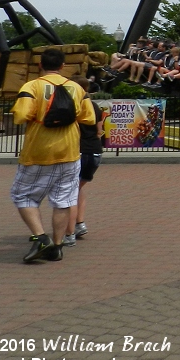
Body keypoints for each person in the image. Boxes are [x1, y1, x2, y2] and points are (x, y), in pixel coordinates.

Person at [10, 48, 96, 263]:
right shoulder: (76, 88)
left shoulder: (32, 86)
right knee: (63, 199)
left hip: (38, 151)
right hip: (69, 151)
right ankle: (57, 246)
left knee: (23, 195)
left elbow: (20, 116)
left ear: (41, 65)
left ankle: (40, 237)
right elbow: (89, 118)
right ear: (62, 66)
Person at [63, 77, 105, 246]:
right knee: (78, 187)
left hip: (78, 150)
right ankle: (80, 223)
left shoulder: (73, 106)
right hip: (95, 151)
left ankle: (69, 232)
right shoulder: (95, 106)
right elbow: (99, 130)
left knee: (70, 194)